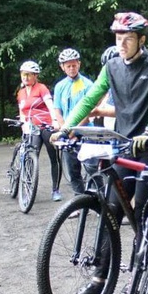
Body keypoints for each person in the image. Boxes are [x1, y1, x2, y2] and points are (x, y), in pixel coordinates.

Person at [52, 11, 148, 294]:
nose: (122, 44)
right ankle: (99, 281)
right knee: (111, 212)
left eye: (128, 38)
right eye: (118, 38)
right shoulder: (112, 66)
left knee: (144, 214)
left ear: (141, 40)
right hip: (122, 148)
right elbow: (91, 99)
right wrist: (67, 126)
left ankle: (139, 278)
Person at [15, 60, 64, 202]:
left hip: (46, 126)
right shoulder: (21, 93)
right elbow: (22, 112)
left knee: (53, 157)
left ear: (35, 76)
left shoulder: (41, 88)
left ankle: (55, 189)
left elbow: (50, 105)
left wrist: (55, 121)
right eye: (23, 75)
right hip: (32, 128)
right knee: (31, 157)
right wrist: (24, 126)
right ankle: (28, 188)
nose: (25, 77)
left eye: (29, 75)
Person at [53, 48, 96, 195]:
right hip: (67, 133)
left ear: (79, 64)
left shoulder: (88, 84)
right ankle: (79, 200)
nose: (72, 68)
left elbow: (90, 111)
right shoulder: (60, 86)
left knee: (91, 168)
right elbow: (57, 110)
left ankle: (99, 200)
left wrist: (75, 129)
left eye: (74, 65)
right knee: (73, 170)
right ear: (62, 67)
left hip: (86, 132)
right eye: (68, 66)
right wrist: (65, 128)